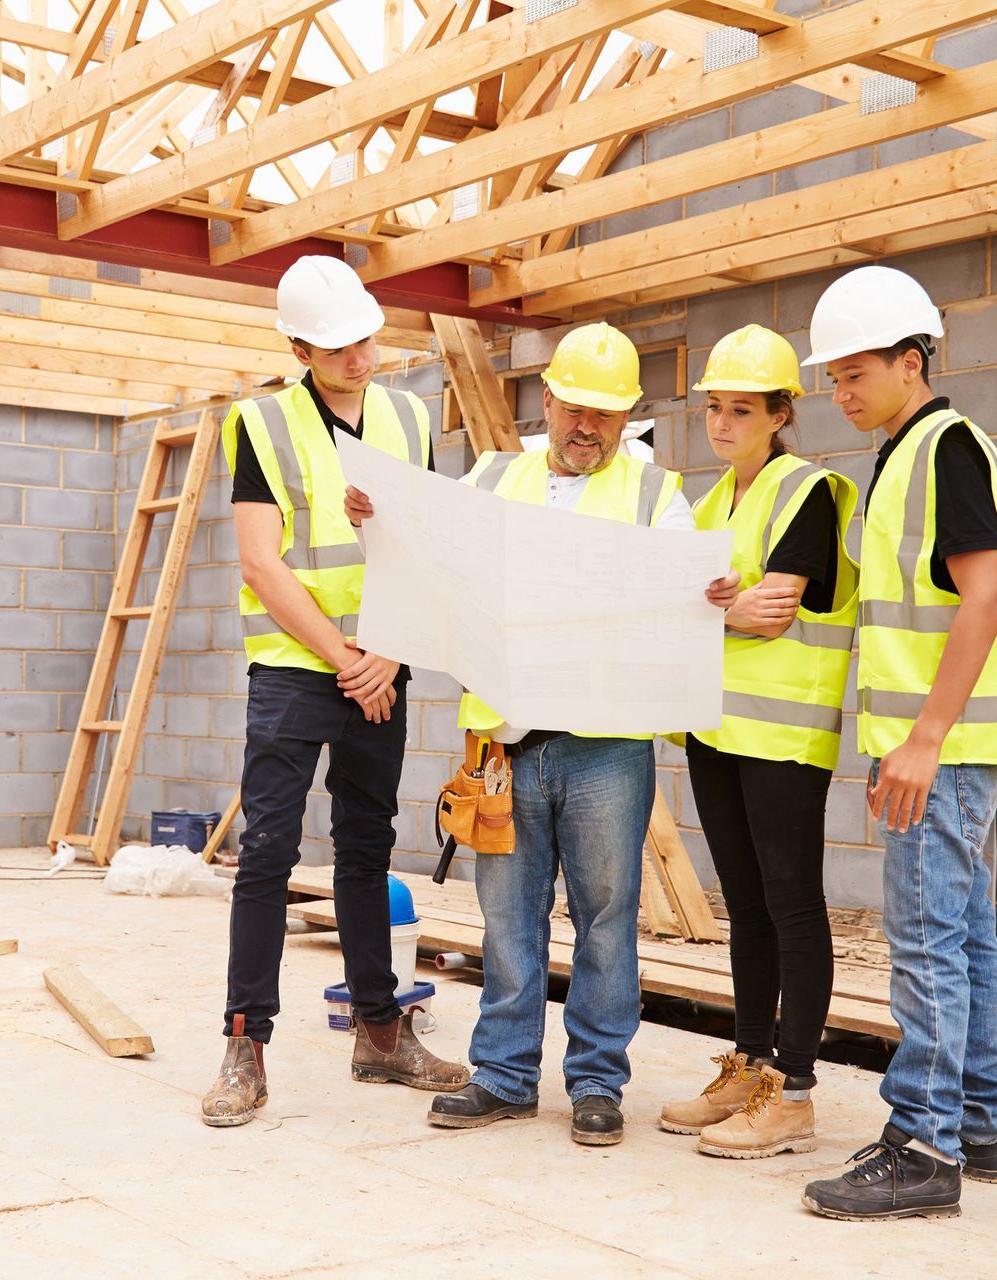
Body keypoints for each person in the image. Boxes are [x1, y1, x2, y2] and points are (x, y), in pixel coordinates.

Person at [355, 322, 697, 1146]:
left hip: (604, 744)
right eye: (576, 409)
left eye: (608, 416)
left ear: (627, 420)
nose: (589, 428)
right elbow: (431, 563)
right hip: (503, 743)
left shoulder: (656, 497)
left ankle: (595, 1085)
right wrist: (379, 522)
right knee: (507, 917)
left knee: (606, 916)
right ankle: (505, 1076)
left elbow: (685, 594)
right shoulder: (490, 477)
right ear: (547, 402)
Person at [794, 266, 997, 1219]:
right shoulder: (906, 453)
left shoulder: (945, 448)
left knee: (926, 945)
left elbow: (980, 597)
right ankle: (981, 1127)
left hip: (939, 748)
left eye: (855, 372)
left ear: (913, 362)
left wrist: (924, 739)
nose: (840, 392)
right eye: (832, 378)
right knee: (961, 938)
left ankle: (922, 1147)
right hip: (939, 744)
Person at [201, 256, 469, 1128]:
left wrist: (385, 656)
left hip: (379, 666)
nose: (360, 355)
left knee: (366, 847)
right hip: (295, 666)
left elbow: (426, 545)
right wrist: (345, 655)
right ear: (297, 347)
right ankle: (247, 1043)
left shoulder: (407, 414)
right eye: (338, 345)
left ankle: (380, 1033)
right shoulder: (261, 423)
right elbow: (259, 560)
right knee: (270, 854)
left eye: (366, 336)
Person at [656, 324, 859, 1160]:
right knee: (744, 906)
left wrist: (709, 607)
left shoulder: (808, 491)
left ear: (781, 414)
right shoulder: (711, 505)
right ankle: (749, 1064)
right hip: (716, 728)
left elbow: (773, 612)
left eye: (743, 409)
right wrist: (713, 607)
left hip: (783, 736)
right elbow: (684, 609)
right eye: (714, 408)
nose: (723, 423)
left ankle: (796, 1093)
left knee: (793, 904)